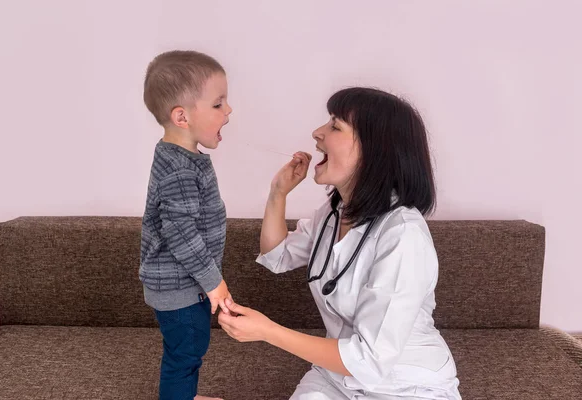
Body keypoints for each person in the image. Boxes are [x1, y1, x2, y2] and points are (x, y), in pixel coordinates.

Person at [218, 87, 461, 399]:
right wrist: (278, 192)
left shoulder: (403, 236)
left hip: (406, 386)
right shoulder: (335, 213)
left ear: (374, 150)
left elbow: (370, 361)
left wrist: (268, 331)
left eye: (335, 126)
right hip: (336, 378)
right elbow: (277, 255)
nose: (317, 133)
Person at [140, 50, 233, 400]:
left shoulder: (178, 157)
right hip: (181, 289)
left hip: (181, 285)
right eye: (218, 104)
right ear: (182, 116)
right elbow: (180, 233)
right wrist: (215, 284)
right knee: (187, 352)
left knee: (185, 352)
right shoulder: (180, 168)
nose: (229, 111)